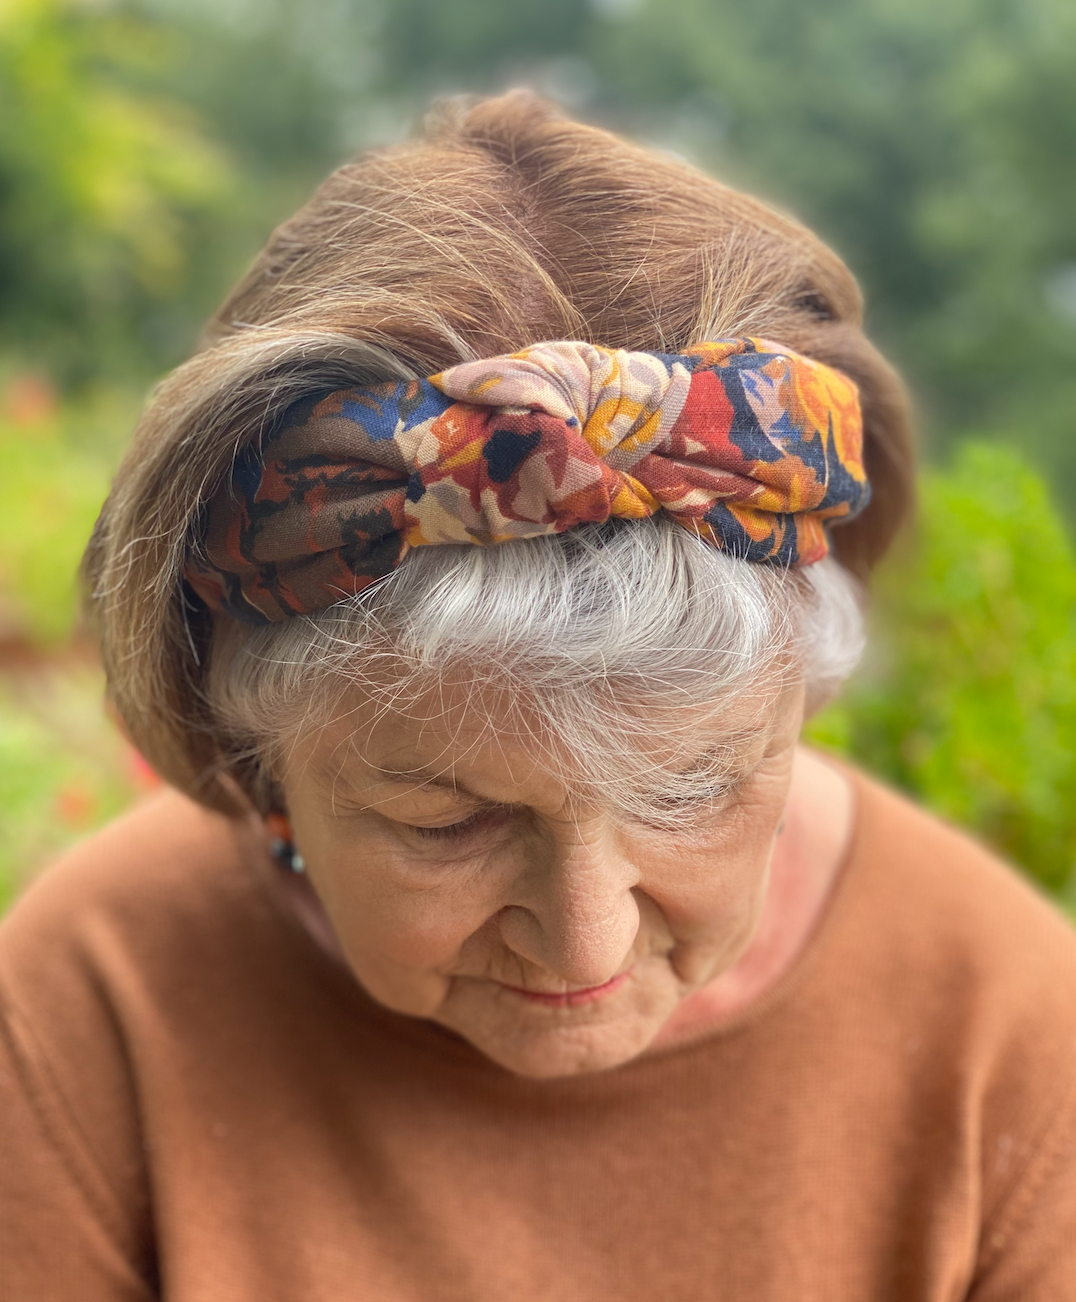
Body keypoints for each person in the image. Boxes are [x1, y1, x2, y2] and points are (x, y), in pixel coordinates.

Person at [2, 91, 1074, 1301]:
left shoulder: (1012, 1033)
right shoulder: (91, 996)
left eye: (687, 787)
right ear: (263, 765)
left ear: (798, 705)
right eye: (441, 822)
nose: (586, 940)